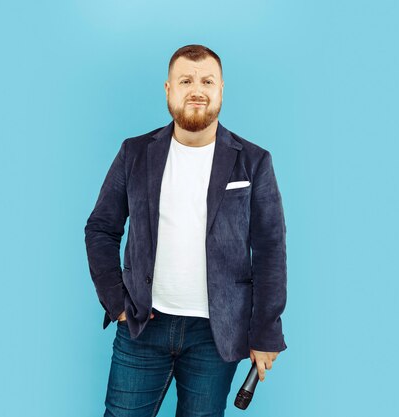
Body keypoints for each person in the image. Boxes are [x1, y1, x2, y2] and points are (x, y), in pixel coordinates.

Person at [84, 44, 288, 417]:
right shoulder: (135, 153)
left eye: (207, 80)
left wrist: (266, 331)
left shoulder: (254, 161)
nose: (197, 89)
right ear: (168, 90)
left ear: (221, 89)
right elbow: (101, 228)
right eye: (186, 80)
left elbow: (270, 249)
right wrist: (117, 303)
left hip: (217, 336)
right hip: (143, 327)